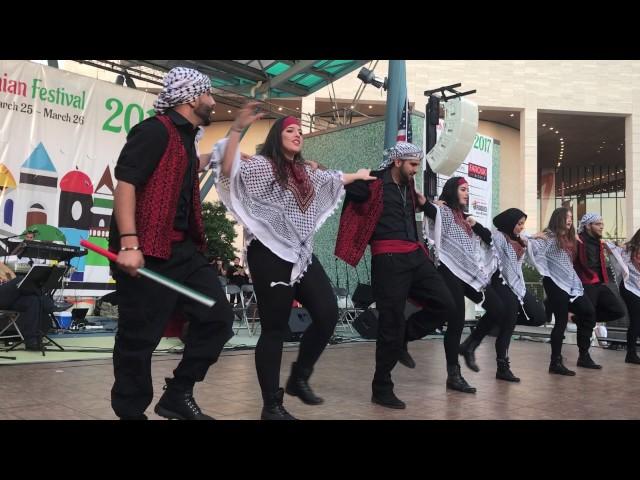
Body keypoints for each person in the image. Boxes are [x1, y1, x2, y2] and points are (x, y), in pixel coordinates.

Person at [215, 104, 374, 420]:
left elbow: (335, 178)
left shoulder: (307, 173)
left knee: (328, 313)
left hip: (300, 253)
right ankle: (271, 406)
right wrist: (237, 128)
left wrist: (361, 175)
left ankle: (299, 375)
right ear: (277, 136)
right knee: (274, 329)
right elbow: (229, 165)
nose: (298, 134)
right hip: (269, 252)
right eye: (290, 130)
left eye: (300, 131)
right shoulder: (261, 166)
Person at [108, 66, 234, 420]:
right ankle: (131, 413)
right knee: (139, 340)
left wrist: (234, 135)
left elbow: (179, 174)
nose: (213, 101)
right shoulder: (153, 132)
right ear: (193, 98)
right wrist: (130, 243)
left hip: (185, 252)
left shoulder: (186, 140)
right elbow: (126, 184)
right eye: (208, 94)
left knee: (218, 318)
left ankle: (178, 394)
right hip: (148, 252)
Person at [335, 141, 456, 409]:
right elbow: (342, 188)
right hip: (387, 258)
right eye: (413, 164)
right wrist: (353, 180)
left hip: (415, 254)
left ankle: (403, 337)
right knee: (389, 322)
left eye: (417, 165)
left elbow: (421, 209)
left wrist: (425, 204)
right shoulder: (373, 182)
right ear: (397, 162)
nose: (416, 170)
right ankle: (381, 387)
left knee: (446, 304)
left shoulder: (410, 188)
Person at [423, 176, 505, 393]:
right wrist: (432, 203)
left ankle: (469, 346)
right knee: (456, 323)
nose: (467, 193)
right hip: (448, 271)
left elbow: (489, 239)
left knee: (498, 309)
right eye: (463, 189)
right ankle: (454, 374)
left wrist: (475, 224)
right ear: (452, 191)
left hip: (468, 273)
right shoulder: (444, 212)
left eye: (468, 190)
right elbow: (423, 205)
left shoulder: (465, 218)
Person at [526, 207, 596, 375]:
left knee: (588, 311)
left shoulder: (570, 237)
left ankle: (584, 355)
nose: (570, 220)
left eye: (571, 217)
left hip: (570, 281)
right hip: (554, 281)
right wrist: (531, 236)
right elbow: (532, 245)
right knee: (561, 321)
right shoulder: (549, 236)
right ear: (558, 218)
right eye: (567, 217)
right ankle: (555, 362)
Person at [571, 213, 626, 368]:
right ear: (588, 226)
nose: (602, 226)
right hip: (584, 284)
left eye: (602, 223)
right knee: (588, 319)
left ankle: (581, 318)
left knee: (618, 310)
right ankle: (584, 356)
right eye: (598, 224)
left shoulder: (600, 242)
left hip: (599, 283)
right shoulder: (578, 240)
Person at [605, 228, 640, 364]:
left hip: (636, 287)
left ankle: (631, 353)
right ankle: (631, 354)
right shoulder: (628, 249)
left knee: (637, 321)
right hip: (628, 286)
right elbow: (612, 249)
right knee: (636, 319)